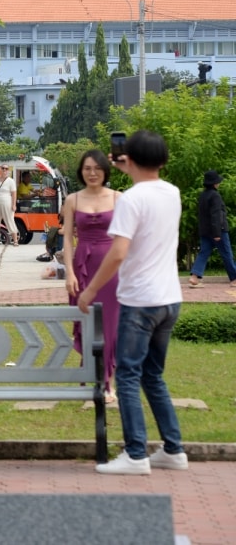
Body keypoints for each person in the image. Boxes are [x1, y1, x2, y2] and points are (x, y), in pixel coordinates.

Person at [77, 130, 188, 475]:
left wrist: (91, 289)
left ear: (131, 158)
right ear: (163, 160)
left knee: (126, 375)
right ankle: (173, 449)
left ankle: (136, 453)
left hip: (140, 300)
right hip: (170, 298)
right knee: (152, 375)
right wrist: (131, 167)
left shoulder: (130, 200)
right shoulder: (171, 192)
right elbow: (147, 182)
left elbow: (118, 253)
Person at [63, 150, 121, 400]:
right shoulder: (72, 200)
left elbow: (125, 238)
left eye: (97, 168)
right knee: (86, 323)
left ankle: (108, 383)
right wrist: (69, 273)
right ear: (81, 171)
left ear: (105, 171)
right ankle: (89, 378)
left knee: (111, 326)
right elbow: (66, 239)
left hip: (113, 268)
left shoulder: (119, 198)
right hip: (83, 266)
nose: (92, 173)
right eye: (87, 168)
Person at [188, 171, 236, 288]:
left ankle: (194, 276)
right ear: (214, 183)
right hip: (218, 230)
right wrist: (217, 233)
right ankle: (234, 278)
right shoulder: (215, 196)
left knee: (203, 253)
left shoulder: (203, 195)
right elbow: (216, 215)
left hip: (205, 231)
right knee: (226, 254)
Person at [0, 164, 20, 246]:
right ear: (0, 169)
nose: (4, 170)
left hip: (7, 201)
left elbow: (14, 194)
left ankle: (15, 240)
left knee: (9, 220)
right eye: (3, 168)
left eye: (6, 169)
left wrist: (14, 204)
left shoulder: (10, 181)